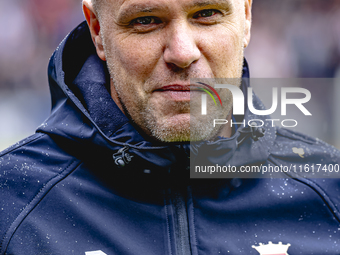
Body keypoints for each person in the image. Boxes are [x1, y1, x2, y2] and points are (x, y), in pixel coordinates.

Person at [1, 0, 340, 254]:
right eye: (146, 20)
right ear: (98, 32)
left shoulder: (330, 194)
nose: (182, 52)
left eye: (207, 13)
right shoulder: (11, 202)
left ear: (246, 17)